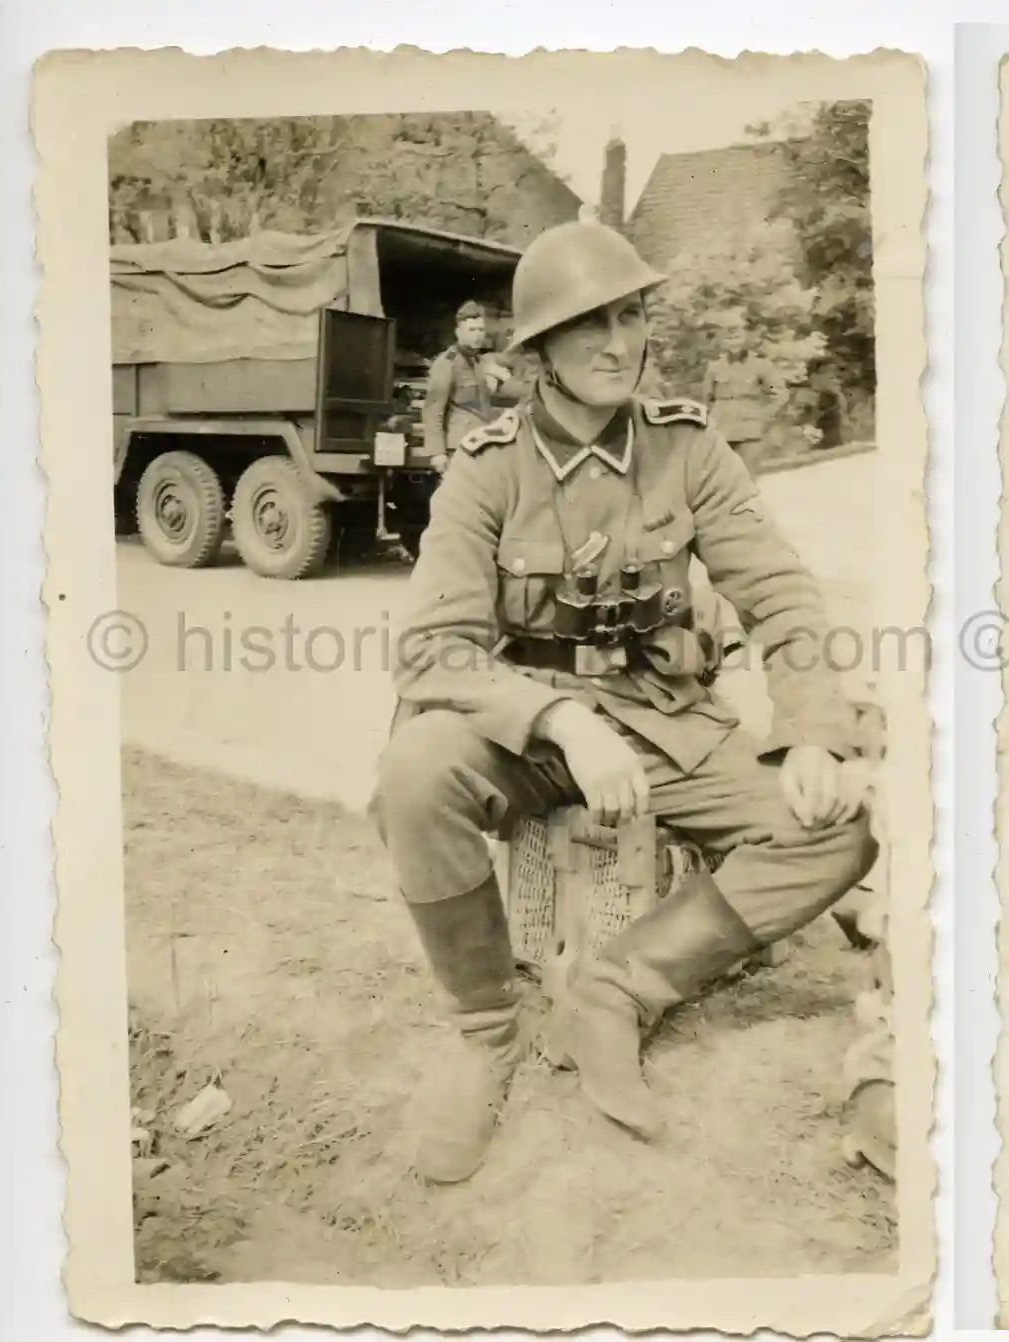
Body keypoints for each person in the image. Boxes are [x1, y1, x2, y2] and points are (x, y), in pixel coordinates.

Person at [370, 221, 878, 1185]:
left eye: (631, 314)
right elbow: (432, 650)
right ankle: (487, 1036)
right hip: (527, 727)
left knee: (836, 827)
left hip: (660, 718)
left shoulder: (687, 448)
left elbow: (778, 591)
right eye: (585, 324)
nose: (617, 342)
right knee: (413, 773)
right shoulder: (488, 466)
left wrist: (812, 730)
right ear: (538, 354)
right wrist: (559, 720)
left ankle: (618, 986)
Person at [421, 299, 519, 471]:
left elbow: (509, 394)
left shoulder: (480, 361)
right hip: (457, 448)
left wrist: (504, 377)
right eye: (472, 330)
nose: (477, 335)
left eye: (481, 330)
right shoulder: (447, 363)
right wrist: (437, 453)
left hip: (482, 444)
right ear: (458, 332)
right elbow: (433, 409)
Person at [702, 329, 785, 475]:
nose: (733, 342)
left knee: (748, 474)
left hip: (750, 429)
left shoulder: (760, 365)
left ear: (746, 339)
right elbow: (707, 398)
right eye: (729, 338)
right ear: (723, 342)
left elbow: (779, 394)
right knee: (722, 475)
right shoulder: (714, 367)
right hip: (722, 428)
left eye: (737, 337)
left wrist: (765, 417)